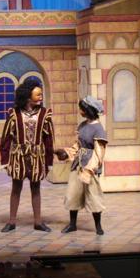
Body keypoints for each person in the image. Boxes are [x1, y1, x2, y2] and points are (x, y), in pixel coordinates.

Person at [0, 78, 54, 232]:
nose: (41, 97)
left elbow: (49, 139)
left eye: (41, 94)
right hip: (19, 156)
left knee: (36, 188)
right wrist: (5, 159)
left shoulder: (44, 114)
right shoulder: (14, 114)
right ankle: (11, 221)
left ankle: (38, 222)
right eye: (38, 95)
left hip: (37, 156)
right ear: (28, 96)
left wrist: (49, 161)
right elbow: (6, 138)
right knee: (16, 188)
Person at [56, 96, 107, 235]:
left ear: (88, 110)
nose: (80, 111)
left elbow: (98, 152)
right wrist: (67, 153)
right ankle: (72, 224)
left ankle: (98, 226)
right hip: (78, 164)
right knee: (73, 194)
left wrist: (90, 169)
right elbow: (78, 145)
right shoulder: (83, 125)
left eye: (82, 109)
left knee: (93, 195)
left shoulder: (98, 129)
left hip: (89, 165)